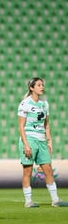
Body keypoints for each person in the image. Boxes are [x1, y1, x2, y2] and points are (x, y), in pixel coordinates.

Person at [18, 77, 68, 207]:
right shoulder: (25, 104)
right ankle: (28, 201)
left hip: (42, 141)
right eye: (39, 85)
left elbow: (47, 125)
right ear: (31, 88)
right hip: (29, 139)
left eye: (43, 85)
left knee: (48, 170)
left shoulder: (44, 104)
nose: (42, 87)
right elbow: (21, 127)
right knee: (27, 172)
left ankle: (55, 200)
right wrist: (26, 145)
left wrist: (49, 141)